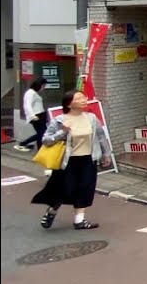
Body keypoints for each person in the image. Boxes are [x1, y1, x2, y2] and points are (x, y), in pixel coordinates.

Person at [31, 90, 112, 230]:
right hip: (67, 161)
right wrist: (62, 131)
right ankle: (52, 211)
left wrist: (107, 153)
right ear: (69, 104)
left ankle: (79, 221)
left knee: (85, 188)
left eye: (84, 97)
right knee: (64, 189)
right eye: (79, 98)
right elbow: (46, 140)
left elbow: (101, 137)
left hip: (88, 160)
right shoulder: (60, 120)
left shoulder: (91, 118)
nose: (84, 100)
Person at [15, 76, 48, 152]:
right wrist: (32, 116)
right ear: (40, 85)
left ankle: (39, 150)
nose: (43, 88)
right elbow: (27, 105)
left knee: (42, 134)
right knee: (42, 134)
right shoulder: (31, 93)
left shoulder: (33, 93)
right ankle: (23, 143)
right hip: (36, 116)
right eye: (43, 86)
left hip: (39, 116)